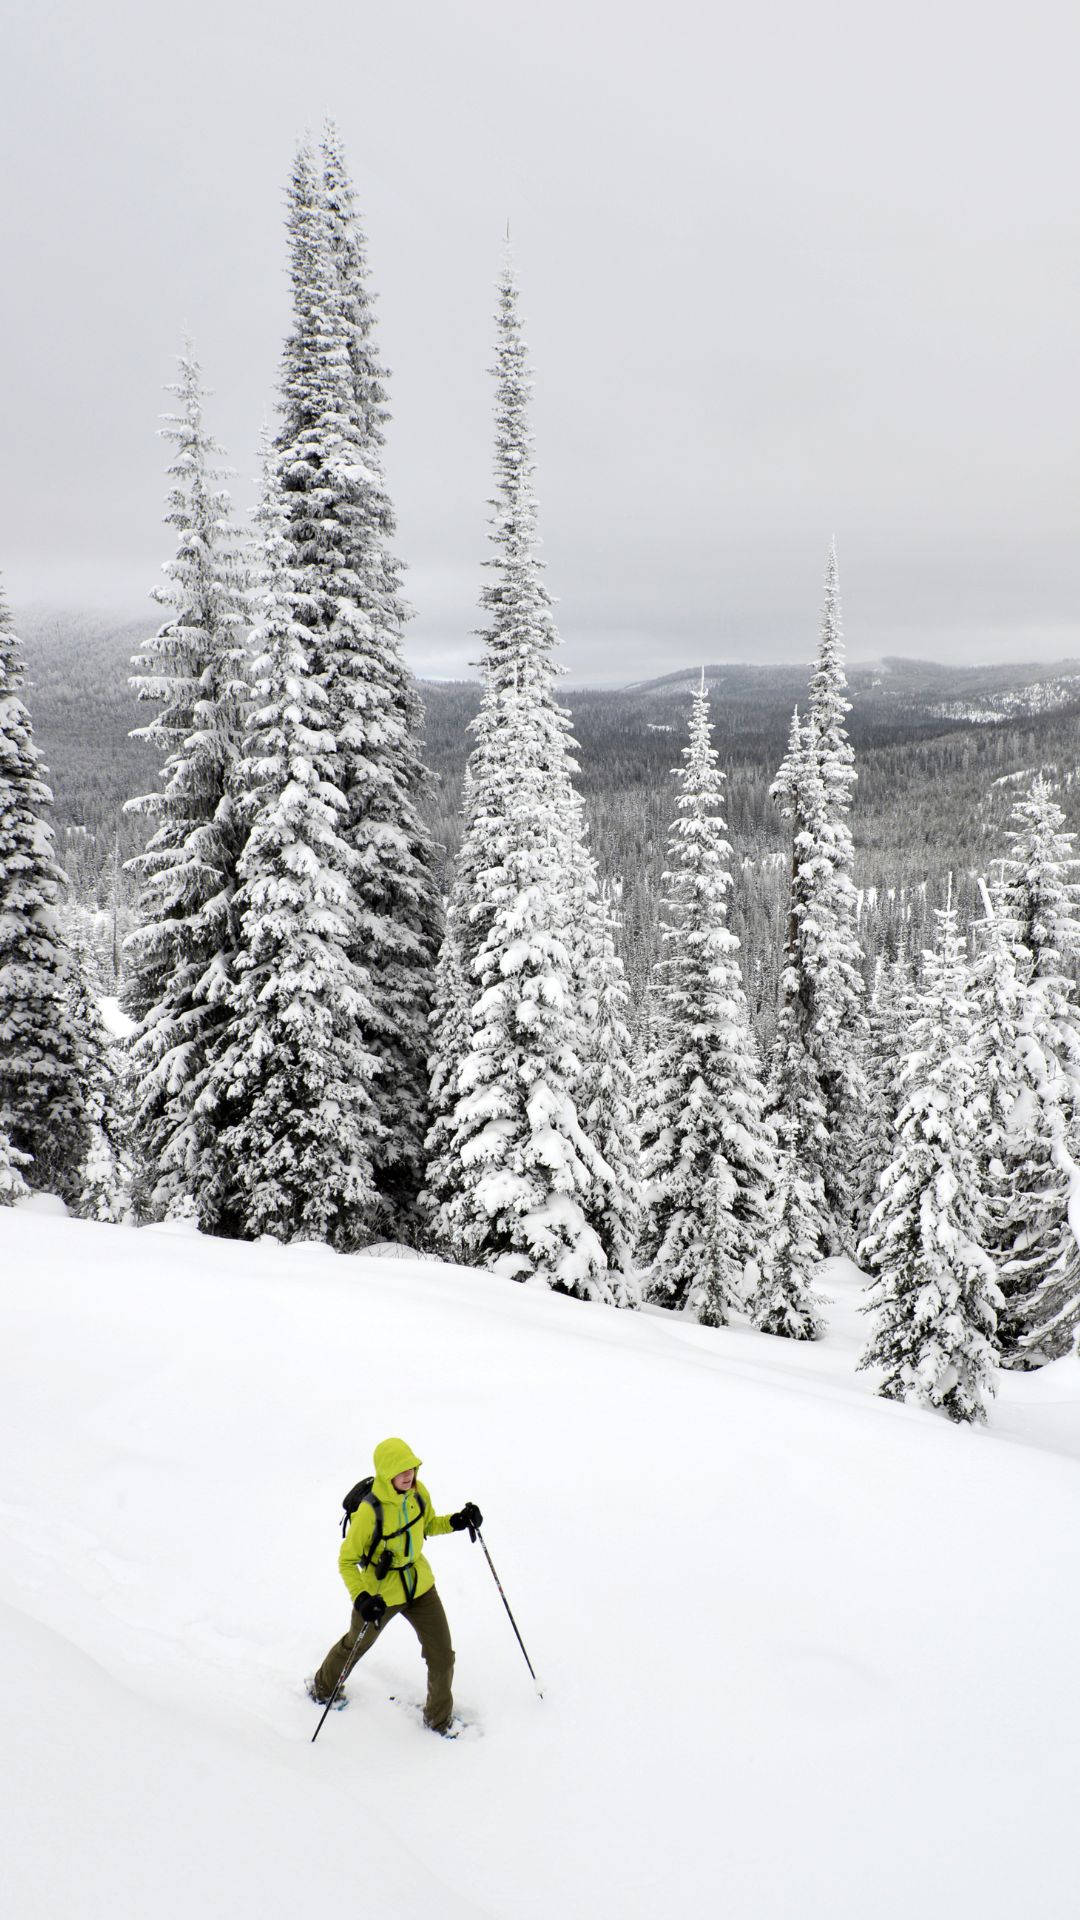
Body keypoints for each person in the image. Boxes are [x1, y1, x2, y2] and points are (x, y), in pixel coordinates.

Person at [308, 1436, 482, 1735]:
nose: (408, 1475)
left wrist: (457, 1521)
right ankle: (323, 1689)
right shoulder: (369, 1512)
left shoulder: (418, 1494)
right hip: (380, 1593)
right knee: (355, 1645)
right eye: (400, 1470)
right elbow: (346, 1561)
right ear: (386, 1472)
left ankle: (438, 1721)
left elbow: (427, 1525)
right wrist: (362, 1597)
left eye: (411, 1468)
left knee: (442, 1654)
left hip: (419, 1584)